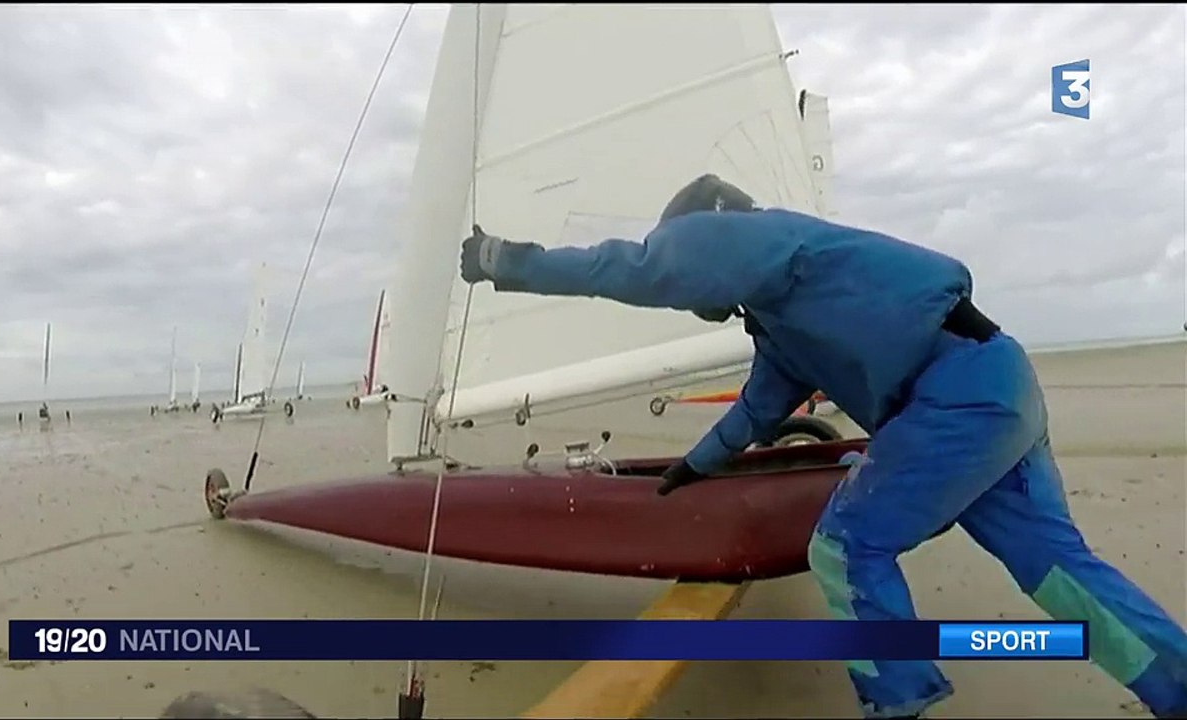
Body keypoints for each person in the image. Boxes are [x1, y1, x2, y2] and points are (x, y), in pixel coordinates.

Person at [458, 174, 1187, 719]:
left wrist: (504, 261)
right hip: (998, 382)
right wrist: (697, 465)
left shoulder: (742, 231)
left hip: (954, 394)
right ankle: (1176, 687)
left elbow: (634, 268)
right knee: (1059, 571)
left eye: (683, 261)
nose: (684, 284)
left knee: (844, 546)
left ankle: (896, 700)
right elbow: (760, 407)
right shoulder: (786, 305)